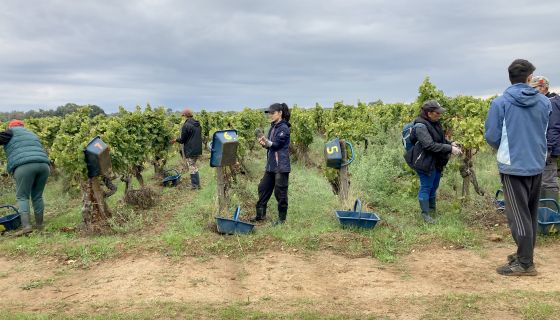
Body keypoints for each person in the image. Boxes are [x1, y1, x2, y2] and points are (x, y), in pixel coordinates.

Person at [484, 59, 551, 276]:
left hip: (513, 167)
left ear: (510, 78)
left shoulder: (500, 103)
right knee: (530, 212)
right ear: (530, 78)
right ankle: (525, 254)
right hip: (537, 163)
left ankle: (524, 263)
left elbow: (492, 136)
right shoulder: (544, 103)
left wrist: (506, 150)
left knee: (517, 215)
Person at [404, 100, 462, 223]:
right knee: (426, 186)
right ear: (429, 113)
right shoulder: (420, 126)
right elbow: (429, 145)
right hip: (424, 161)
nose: (439, 115)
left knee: (434, 186)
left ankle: (432, 211)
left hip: (435, 161)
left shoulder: (435, 122)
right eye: (437, 113)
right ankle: (425, 215)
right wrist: (450, 149)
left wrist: (451, 143)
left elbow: (439, 139)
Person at [0, 120, 50, 236]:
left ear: (11, 127)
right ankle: (39, 225)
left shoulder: (10, 132)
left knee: (22, 196)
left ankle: (26, 226)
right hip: (44, 166)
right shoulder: (31, 133)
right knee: (37, 196)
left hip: (24, 166)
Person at [251, 103, 291, 225]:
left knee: (280, 193)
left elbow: (276, 144)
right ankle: (260, 215)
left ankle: (281, 220)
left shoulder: (284, 128)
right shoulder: (272, 127)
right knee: (263, 188)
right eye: (269, 113)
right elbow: (270, 147)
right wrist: (263, 143)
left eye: (273, 113)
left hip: (281, 166)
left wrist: (266, 141)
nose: (271, 115)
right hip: (271, 165)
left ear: (280, 113)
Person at [530, 76, 560, 204]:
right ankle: (543, 213)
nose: (532, 92)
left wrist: (549, 149)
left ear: (544, 88)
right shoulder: (546, 101)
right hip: (544, 148)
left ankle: (551, 218)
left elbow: (553, 128)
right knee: (542, 182)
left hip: (548, 149)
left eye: (535, 88)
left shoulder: (551, 102)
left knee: (548, 182)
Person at [172, 108, 202, 189]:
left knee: (192, 167)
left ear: (185, 116)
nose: (183, 117)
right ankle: (197, 185)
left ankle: (195, 185)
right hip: (198, 149)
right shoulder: (198, 124)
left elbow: (182, 140)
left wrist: (175, 140)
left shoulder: (186, 125)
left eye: (183, 116)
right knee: (194, 166)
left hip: (190, 149)